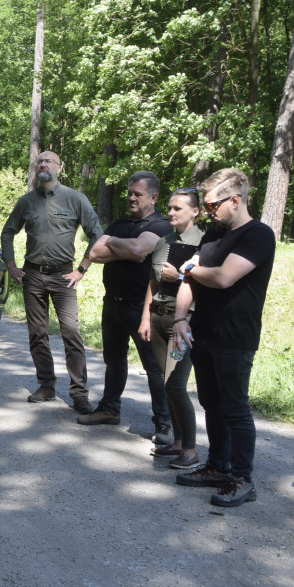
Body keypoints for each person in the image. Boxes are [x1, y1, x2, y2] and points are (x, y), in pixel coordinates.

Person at [172, 168, 275, 508]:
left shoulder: (258, 235)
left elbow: (223, 277)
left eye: (213, 205)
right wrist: (180, 318)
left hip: (236, 335)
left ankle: (242, 479)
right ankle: (218, 467)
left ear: (234, 200)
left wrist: (190, 268)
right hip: (204, 331)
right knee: (211, 404)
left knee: (235, 409)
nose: (208, 211)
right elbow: (193, 281)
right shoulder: (213, 236)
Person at [1, 151, 102, 414]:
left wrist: (82, 269)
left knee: (71, 332)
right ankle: (46, 386)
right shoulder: (27, 201)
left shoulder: (75, 199)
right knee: (37, 334)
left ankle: (79, 393)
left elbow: (97, 235)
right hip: (32, 276)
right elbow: (8, 232)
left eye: (49, 161)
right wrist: (11, 265)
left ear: (60, 167)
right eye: (40, 162)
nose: (43, 164)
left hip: (63, 277)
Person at [78, 171, 173, 445]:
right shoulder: (120, 223)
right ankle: (109, 409)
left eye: (138, 194)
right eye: (130, 193)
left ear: (153, 197)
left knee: (154, 367)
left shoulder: (161, 226)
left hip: (143, 310)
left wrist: (111, 243)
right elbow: (94, 253)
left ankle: (164, 423)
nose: (131, 197)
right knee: (114, 362)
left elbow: (138, 251)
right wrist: (123, 247)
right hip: (113, 304)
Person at [138, 188, 205, 469]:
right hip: (159, 317)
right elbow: (152, 283)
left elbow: (205, 284)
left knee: (176, 385)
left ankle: (190, 449)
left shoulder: (206, 243)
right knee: (165, 383)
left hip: (184, 323)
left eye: (178, 208)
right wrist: (144, 318)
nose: (171, 212)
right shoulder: (163, 242)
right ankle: (176, 443)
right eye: (170, 207)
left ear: (195, 211)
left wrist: (178, 276)